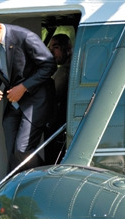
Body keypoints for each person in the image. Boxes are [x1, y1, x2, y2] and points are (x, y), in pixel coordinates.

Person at [0, 14, 57, 172]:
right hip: (14, 104)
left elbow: (49, 65)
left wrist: (24, 87)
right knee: (13, 154)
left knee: (22, 150)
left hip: (36, 100)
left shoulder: (25, 37)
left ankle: (49, 179)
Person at [45, 34, 73, 164]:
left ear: (68, 48)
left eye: (55, 47)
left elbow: (52, 95)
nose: (51, 52)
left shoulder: (65, 71)